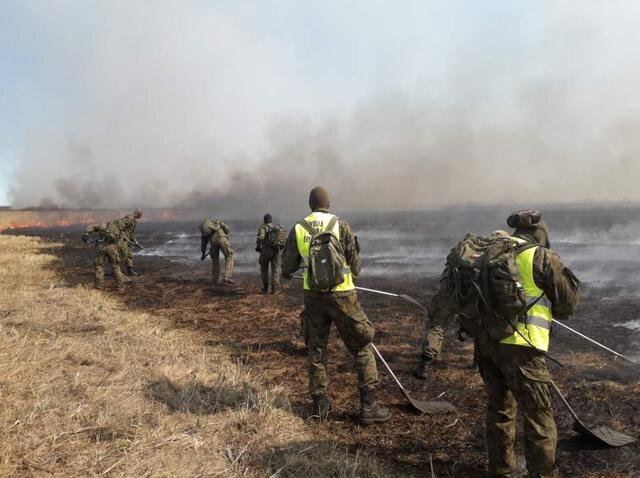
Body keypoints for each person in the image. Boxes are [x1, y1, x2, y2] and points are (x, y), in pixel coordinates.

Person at [477, 211, 580, 477]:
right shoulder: (542, 257)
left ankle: (502, 469)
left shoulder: (489, 254)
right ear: (540, 233)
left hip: (487, 344)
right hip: (522, 347)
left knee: (500, 407)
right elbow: (567, 306)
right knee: (539, 417)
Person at [282, 186, 391, 425]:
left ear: (310, 204)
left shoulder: (299, 228)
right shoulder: (341, 225)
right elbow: (355, 263)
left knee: (317, 350)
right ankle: (368, 406)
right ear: (328, 204)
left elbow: (286, 268)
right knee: (362, 345)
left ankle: (320, 405)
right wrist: (350, 279)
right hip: (343, 295)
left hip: (313, 296)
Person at [413, 230, 510, 379]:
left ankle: (424, 365)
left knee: (437, 325)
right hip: (475, 296)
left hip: (450, 292)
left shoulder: (469, 245)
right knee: (481, 328)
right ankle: (477, 364)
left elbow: (449, 264)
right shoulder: (497, 254)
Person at [81, 222, 127, 291]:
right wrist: (120, 256)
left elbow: (91, 226)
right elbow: (122, 246)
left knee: (99, 266)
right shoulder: (119, 231)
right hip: (112, 248)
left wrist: (86, 233)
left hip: (101, 247)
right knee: (115, 267)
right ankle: (121, 287)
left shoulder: (103, 225)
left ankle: (99, 287)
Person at [200, 218, 234, 285]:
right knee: (229, 256)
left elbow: (203, 244)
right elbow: (227, 230)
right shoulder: (217, 222)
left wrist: (203, 254)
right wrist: (222, 226)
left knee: (215, 261)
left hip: (213, 243)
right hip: (222, 239)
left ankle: (215, 280)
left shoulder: (204, 231)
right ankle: (227, 276)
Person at [255, 213, 283, 294]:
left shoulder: (263, 227)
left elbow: (261, 237)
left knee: (264, 269)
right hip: (276, 251)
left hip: (266, 251)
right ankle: (275, 290)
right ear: (271, 220)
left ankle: (265, 288)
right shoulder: (276, 228)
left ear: (264, 220)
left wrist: (258, 246)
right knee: (275, 270)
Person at [117, 208, 143, 276]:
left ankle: (130, 270)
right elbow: (119, 228)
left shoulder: (133, 221)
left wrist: (136, 243)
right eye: (141, 214)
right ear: (137, 213)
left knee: (129, 255)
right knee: (121, 255)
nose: (141, 216)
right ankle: (115, 270)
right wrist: (123, 237)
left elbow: (131, 233)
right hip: (122, 240)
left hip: (127, 240)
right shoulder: (129, 219)